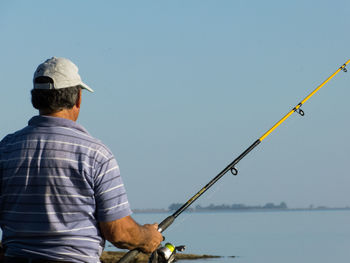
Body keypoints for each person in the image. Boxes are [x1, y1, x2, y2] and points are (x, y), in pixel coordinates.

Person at [0, 57, 163, 263]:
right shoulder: (95, 154)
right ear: (78, 98)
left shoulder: (6, 149)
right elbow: (119, 233)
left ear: (35, 98)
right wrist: (148, 237)